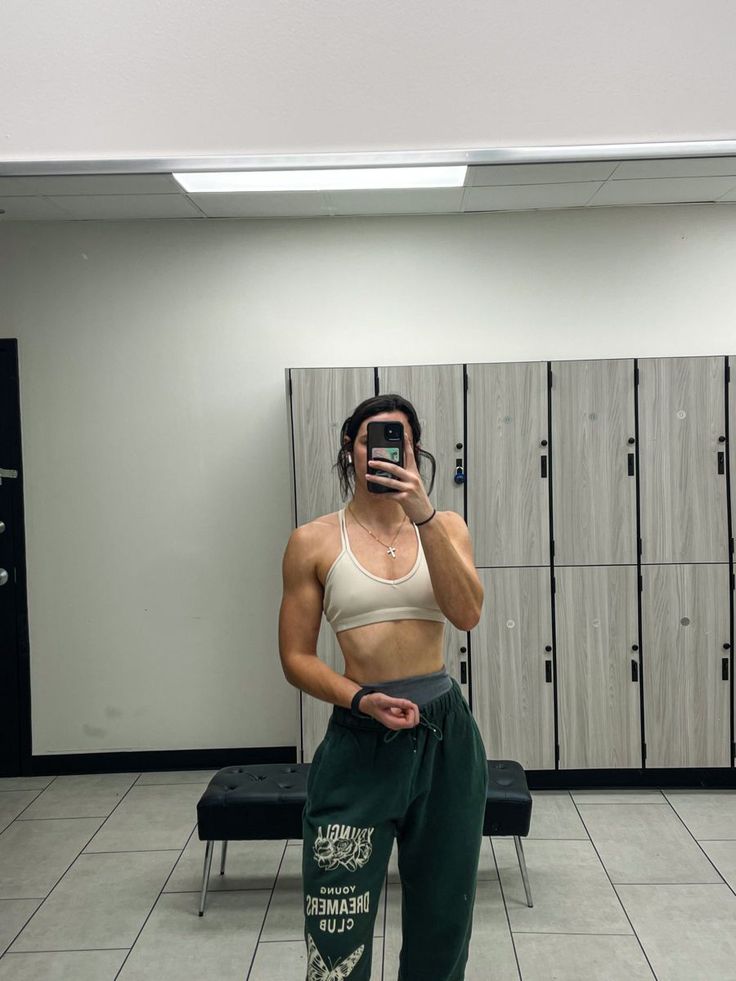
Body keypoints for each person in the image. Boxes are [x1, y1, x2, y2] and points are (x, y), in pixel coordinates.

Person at [278, 393, 487, 981]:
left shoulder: (446, 528)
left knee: (444, 914)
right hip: (359, 735)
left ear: (414, 453)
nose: (384, 450)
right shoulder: (314, 541)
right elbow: (294, 657)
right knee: (336, 920)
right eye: (372, 438)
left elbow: (467, 613)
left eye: (399, 440)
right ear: (352, 449)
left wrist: (423, 515)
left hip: (445, 738)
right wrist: (360, 698)